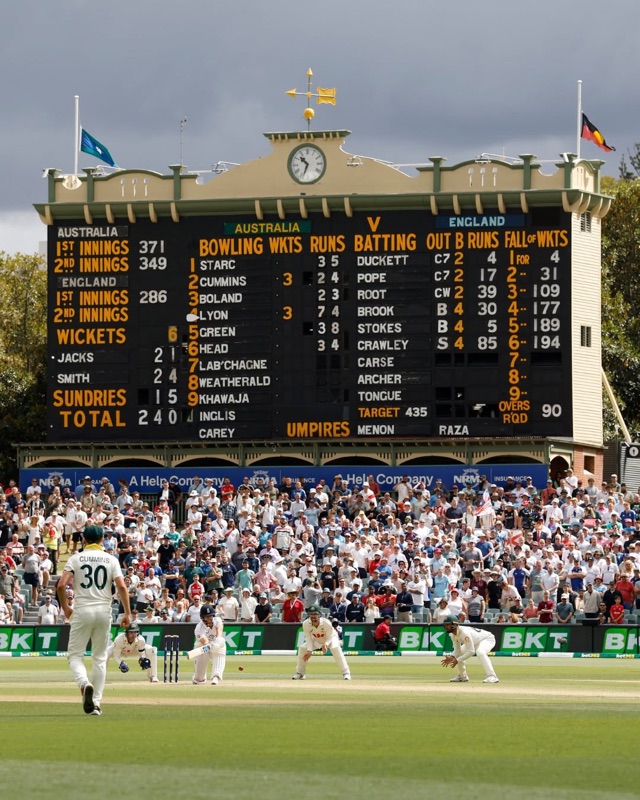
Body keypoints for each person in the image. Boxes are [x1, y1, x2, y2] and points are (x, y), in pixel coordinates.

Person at [56, 524, 131, 716]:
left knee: (75, 656)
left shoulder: (75, 558)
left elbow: (61, 585)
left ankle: (84, 684)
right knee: (99, 658)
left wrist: (66, 608)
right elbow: (122, 587)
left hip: (82, 610)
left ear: (84, 540)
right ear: (102, 540)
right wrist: (127, 613)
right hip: (104, 611)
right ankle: (96, 703)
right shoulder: (111, 559)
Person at [292, 605, 351, 680]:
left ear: (319, 614)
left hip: (331, 639)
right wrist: (309, 651)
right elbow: (309, 638)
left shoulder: (326, 623)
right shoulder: (306, 624)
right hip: (316, 640)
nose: (313, 616)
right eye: (311, 614)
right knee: (303, 648)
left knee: (335, 648)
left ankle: (346, 672)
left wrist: (326, 644)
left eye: (315, 614)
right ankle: (300, 673)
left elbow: (330, 636)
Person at [441, 615, 499, 683]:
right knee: (461, 652)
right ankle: (462, 676)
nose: (446, 627)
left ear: (454, 625)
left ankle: (492, 676)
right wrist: (452, 657)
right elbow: (457, 651)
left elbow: (471, 651)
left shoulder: (464, 633)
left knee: (480, 652)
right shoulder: (452, 635)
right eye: (445, 625)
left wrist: (457, 660)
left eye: (448, 625)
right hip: (475, 641)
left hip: (487, 639)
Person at [192, 603, 226, 685]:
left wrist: (217, 642)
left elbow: (219, 632)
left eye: (210, 616)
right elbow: (205, 642)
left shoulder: (217, 620)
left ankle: (216, 676)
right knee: (199, 680)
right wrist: (211, 646)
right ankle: (198, 678)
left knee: (221, 642)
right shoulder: (198, 628)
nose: (209, 618)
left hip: (215, 644)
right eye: (207, 617)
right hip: (202, 648)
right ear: (203, 617)